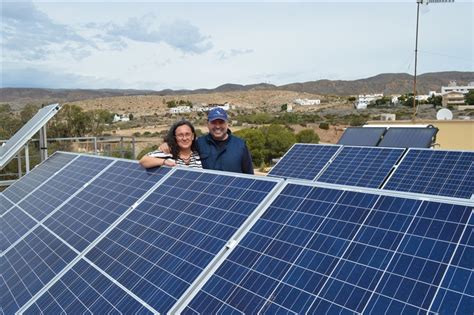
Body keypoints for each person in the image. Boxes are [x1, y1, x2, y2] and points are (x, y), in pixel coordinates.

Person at [160, 107, 254, 174]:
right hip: (207, 198)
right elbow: (182, 146)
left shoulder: (240, 145)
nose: (217, 126)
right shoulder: (199, 143)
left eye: (221, 122)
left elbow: (249, 175)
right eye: (213, 122)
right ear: (207, 124)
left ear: (227, 124)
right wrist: (167, 144)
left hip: (233, 197)